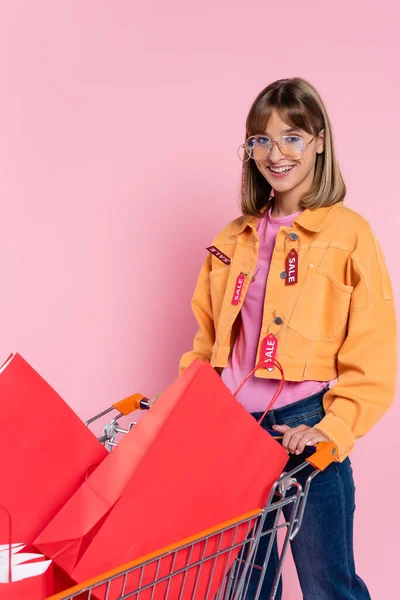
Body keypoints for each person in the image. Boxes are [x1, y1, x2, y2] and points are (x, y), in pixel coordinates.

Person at [178, 77, 397, 599]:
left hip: (306, 423)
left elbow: (374, 345)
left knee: (328, 583)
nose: (275, 154)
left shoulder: (349, 234)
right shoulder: (232, 239)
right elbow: (209, 337)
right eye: (261, 140)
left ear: (319, 140)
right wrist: (190, 410)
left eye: (292, 136)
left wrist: (333, 426)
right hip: (233, 430)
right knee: (247, 585)